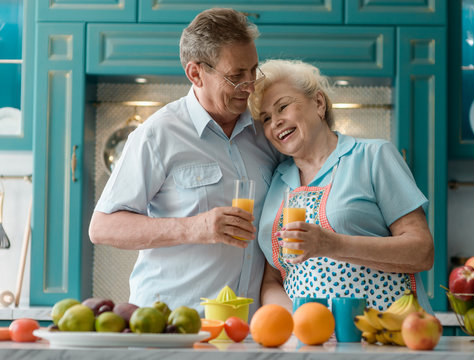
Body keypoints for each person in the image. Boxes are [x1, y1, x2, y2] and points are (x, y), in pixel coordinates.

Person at [88, 8, 281, 317]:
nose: (249, 86)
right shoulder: (157, 135)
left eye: (253, 71)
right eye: (235, 76)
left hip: (245, 330)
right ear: (195, 73)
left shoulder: (265, 133)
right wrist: (194, 228)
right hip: (169, 327)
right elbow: (103, 228)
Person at [248, 59, 435, 313]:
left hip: (387, 334)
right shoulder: (277, 182)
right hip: (312, 343)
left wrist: (331, 244)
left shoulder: (373, 156)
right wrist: (301, 320)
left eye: (283, 107)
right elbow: (272, 280)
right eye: (266, 118)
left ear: (318, 103)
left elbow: (421, 251)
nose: (275, 122)